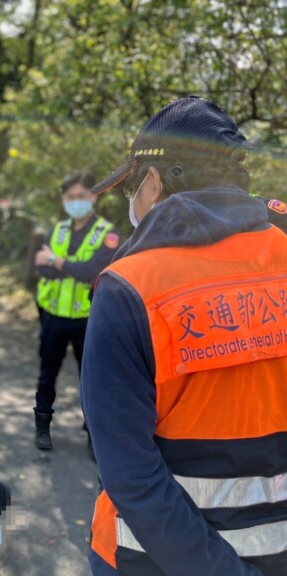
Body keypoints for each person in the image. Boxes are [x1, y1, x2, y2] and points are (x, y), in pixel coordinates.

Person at [81, 96, 287, 575]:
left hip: (149, 562)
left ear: (153, 181)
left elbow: (130, 474)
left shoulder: (128, 287)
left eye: (130, 186)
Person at [32, 171, 120, 451]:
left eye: (81, 196)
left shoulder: (107, 234)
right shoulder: (57, 230)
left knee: (91, 380)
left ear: (94, 196)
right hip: (54, 315)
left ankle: (93, 435)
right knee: (47, 374)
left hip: (89, 319)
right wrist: (67, 266)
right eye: (70, 197)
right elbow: (41, 267)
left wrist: (58, 262)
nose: (76, 201)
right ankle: (42, 426)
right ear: (63, 200)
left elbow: (93, 272)